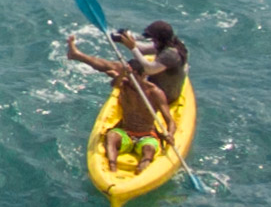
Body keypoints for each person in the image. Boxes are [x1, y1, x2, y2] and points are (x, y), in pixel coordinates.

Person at [64, 20, 184, 171]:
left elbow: (149, 69)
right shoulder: (161, 47)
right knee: (114, 68)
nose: (151, 40)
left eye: (153, 37)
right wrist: (124, 40)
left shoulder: (169, 57)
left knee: (116, 68)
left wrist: (169, 134)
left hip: (167, 92)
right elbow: (139, 54)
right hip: (144, 92)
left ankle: (144, 165)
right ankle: (76, 55)